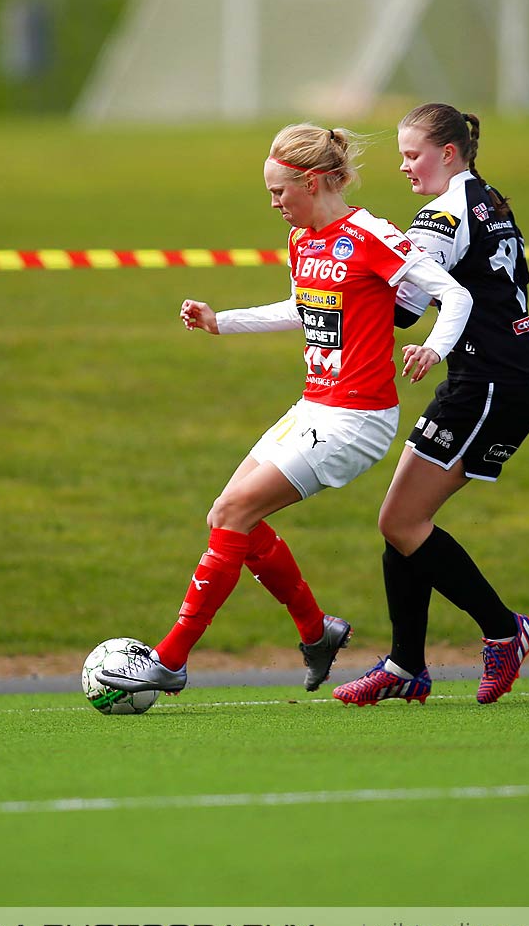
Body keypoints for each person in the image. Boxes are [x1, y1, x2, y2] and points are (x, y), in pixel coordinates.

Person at [95, 123, 474, 697]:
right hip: (313, 406)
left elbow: (456, 294)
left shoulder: (370, 235)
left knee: (236, 513)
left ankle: (171, 659)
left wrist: (434, 348)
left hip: (357, 419)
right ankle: (316, 630)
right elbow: (303, 308)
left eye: (280, 192)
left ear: (316, 181)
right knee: (226, 515)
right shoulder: (303, 240)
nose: (274, 203)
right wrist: (222, 320)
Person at [332, 104, 529, 706]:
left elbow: (400, 308)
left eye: (411, 154)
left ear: (448, 152)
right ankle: (406, 664)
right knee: (402, 524)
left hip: (487, 386)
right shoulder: (488, 197)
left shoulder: (442, 215)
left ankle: (505, 631)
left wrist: (337, 278)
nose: (404, 167)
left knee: (400, 522)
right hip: (500, 382)